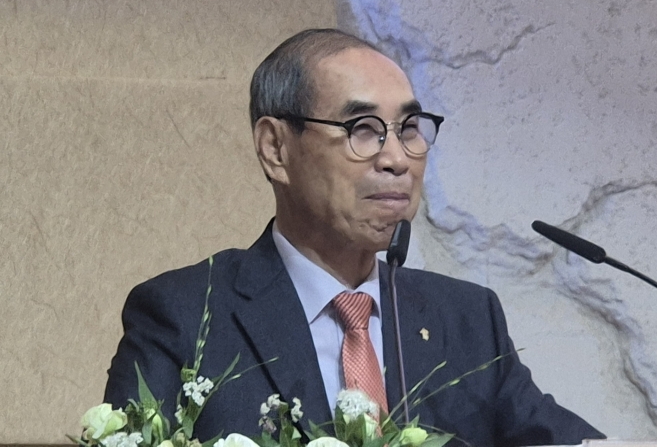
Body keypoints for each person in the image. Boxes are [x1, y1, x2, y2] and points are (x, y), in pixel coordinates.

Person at [104, 28, 604, 446]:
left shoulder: (467, 319)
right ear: (275, 148)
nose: (398, 158)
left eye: (410, 127)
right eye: (363, 128)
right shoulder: (185, 316)